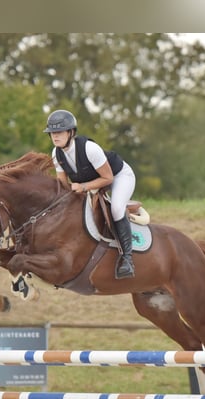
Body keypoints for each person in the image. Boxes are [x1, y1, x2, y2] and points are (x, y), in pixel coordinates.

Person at [44, 109, 136, 279]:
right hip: (94, 181)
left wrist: (84, 187)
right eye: (52, 133)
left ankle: (127, 259)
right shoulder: (56, 154)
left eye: (59, 132)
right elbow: (63, 185)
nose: (55, 136)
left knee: (116, 208)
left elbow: (107, 178)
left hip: (118, 176)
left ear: (71, 132)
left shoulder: (89, 148)